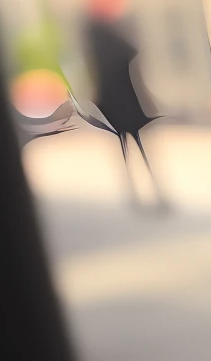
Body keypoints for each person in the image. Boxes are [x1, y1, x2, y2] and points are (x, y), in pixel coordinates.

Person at [81, 0, 163, 207]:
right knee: (129, 148)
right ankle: (139, 194)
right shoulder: (98, 31)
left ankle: (152, 192)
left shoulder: (110, 28)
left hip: (128, 99)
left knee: (139, 149)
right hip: (118, 100)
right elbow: (126, 53)